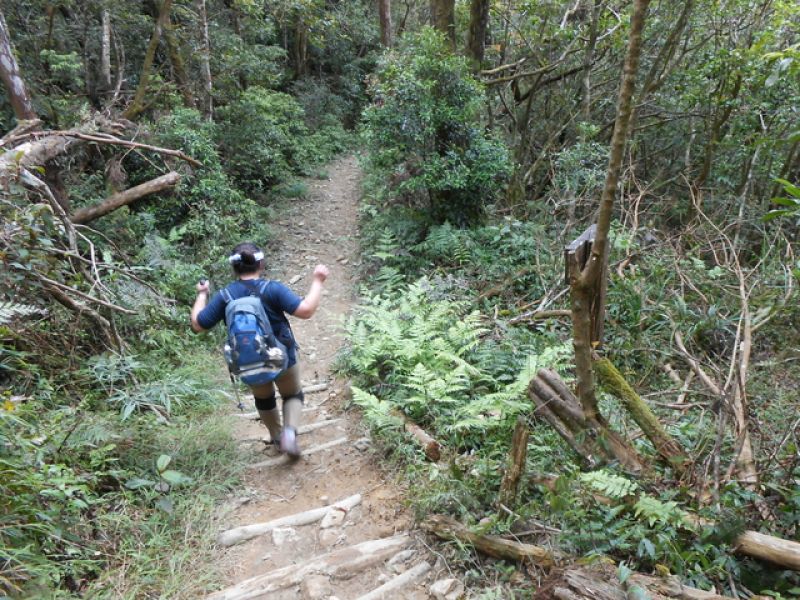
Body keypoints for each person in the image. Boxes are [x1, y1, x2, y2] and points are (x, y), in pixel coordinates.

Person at [190, 241, 329, 457]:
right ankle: (290, 434)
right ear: (261, 264)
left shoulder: (226, 296)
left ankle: (276, 436)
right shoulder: (272, 289)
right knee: (292, 394)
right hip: (282, 356)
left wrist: (202, 294)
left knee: (264, 399)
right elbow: (306, 310)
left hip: (249, 359)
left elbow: (198, 325)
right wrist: (318, 281)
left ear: (234, 268)